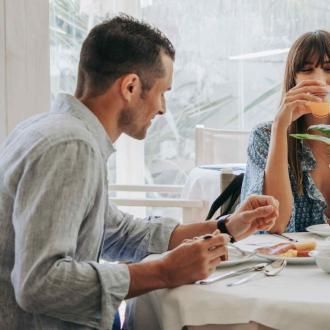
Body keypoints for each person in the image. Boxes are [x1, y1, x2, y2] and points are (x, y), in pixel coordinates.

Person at [0, 15, 279, 329]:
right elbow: (39, 284)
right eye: (162, 92)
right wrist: (162, 272)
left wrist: (228, 226)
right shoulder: (71, 146)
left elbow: (117, 232)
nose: (163, 108)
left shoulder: (49, 131)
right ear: (131, 86)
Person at [241, 30, 330, 234]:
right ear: (293, 80)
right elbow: (275, 225)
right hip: (288, 263)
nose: (320, 81)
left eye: (328, 69)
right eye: (307, 70)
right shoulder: (264, 136)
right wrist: (280, 127)